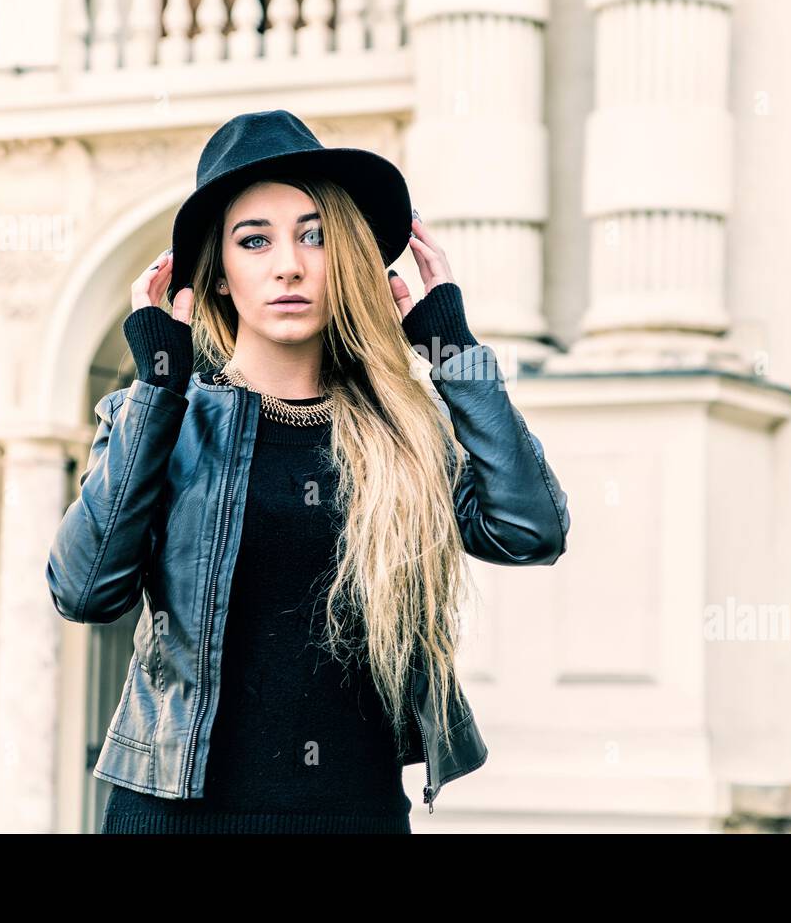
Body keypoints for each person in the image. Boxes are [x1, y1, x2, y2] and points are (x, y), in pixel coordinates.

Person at [48, 110, 570, 834]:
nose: (287, 264)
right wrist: (157, 387)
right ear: (221, 278)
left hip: (353, 815)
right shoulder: (161, 420)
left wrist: (452, 348)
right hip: (175, 818)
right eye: (254, 240)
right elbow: (84, 590)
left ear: (348, 258)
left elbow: (529, 528)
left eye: (314, 235)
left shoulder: (404, 431)